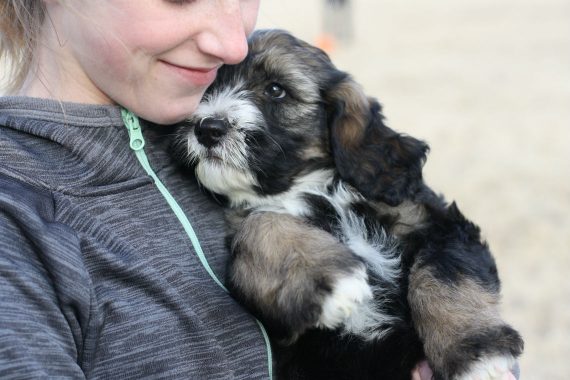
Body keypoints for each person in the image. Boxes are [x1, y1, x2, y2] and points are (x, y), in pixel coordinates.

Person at [0, 1, 517, 379]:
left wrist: (469, 339)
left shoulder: (188, 120)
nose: (230, 41)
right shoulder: (18, 223)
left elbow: (451, 261)